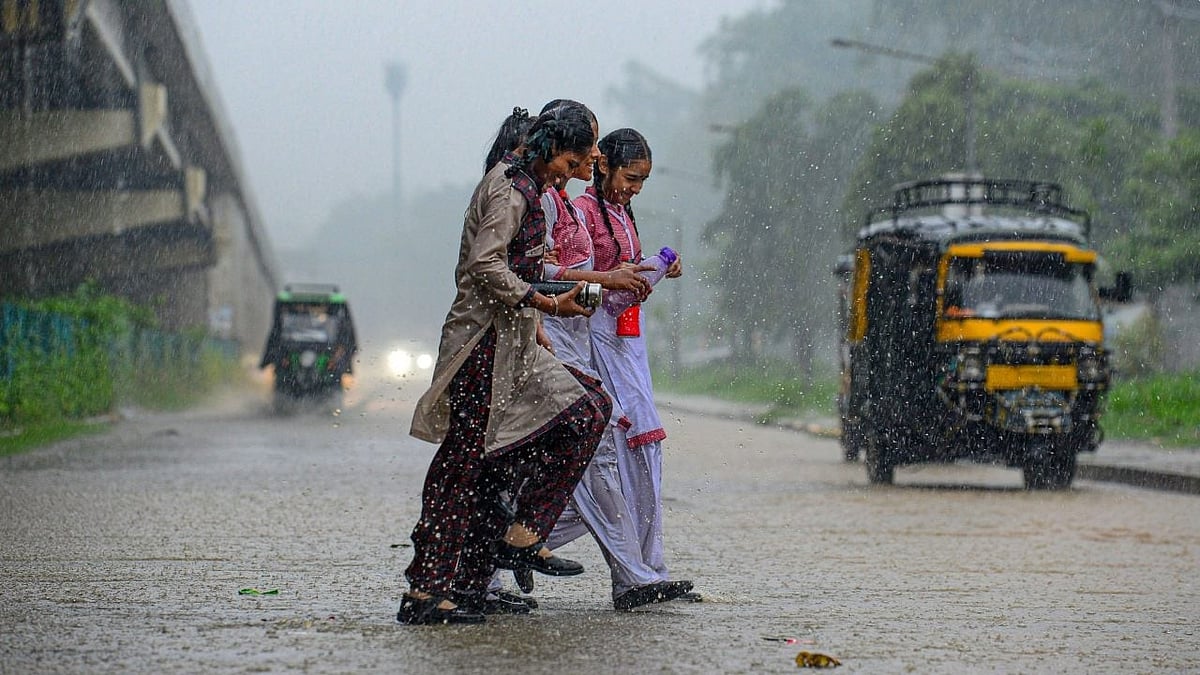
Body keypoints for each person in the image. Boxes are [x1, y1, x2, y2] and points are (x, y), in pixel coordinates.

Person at [398, 104, 611, 625]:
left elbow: (521, 265)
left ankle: (513, 543)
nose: (578, 168)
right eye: (574, 158)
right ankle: (428, 591)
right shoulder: (510, 188)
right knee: (464, 468)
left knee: (582, 412)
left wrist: (538, 316)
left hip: (514, 343)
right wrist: (546, 305)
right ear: (550, 148)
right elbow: (484, 264)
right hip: (481, 349)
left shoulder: (533, 188)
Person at [573, 128, 697, 605]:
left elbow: (618, 283)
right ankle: (633, 573)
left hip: (627, 344)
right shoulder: (581, 215)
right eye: (630, 177)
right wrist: (609, 286)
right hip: (592, 344)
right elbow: (570, 290)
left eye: (643, 181)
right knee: (609, 458)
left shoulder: (622, 214)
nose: (634, 189)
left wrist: (650, 270)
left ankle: (646, 569)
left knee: (642, 455)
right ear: (601, 165)